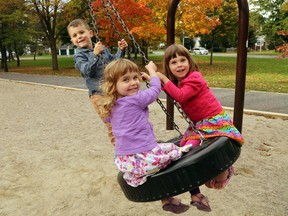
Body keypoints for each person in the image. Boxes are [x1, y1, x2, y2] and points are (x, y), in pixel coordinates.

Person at [154, 44, 245, 212]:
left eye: (183, 60)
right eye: (174, 62)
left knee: (213, 164)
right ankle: (195, 195)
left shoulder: (195, 78)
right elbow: (164, 89)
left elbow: (180, 95)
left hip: (214, 122)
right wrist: (150, 77)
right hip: (200, 127)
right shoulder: (178, 83)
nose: (179, 65)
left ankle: (225, 168)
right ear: (169, 67)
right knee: (184, 153)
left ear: (190, 61)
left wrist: (162, 78)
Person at [98, 58, 193, 214]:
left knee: (159, 163)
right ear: (113, 85)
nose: (134, 82)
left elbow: (109, 120)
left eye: (135, 77)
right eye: (126, 80)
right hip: (144, 154)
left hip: (126, 159)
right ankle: (182, 195)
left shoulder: (111, 105)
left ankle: (166, 200)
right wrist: (152, 71)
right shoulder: (136, 100)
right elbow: (155, 90)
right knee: (175, 154)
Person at [67, 18, 128, 145]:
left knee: (123, 120)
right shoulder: (79, 56)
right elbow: (86, 72)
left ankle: (131, 146)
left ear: (91, 33)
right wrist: (94, 55)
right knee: (112, 124)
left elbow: (114, 63)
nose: (79, 36)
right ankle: (121, 153)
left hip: (111, 91)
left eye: (81, 32)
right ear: (72, 41)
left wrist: (120, 50)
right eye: (75, 35)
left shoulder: (102, 48)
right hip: (98, 95)